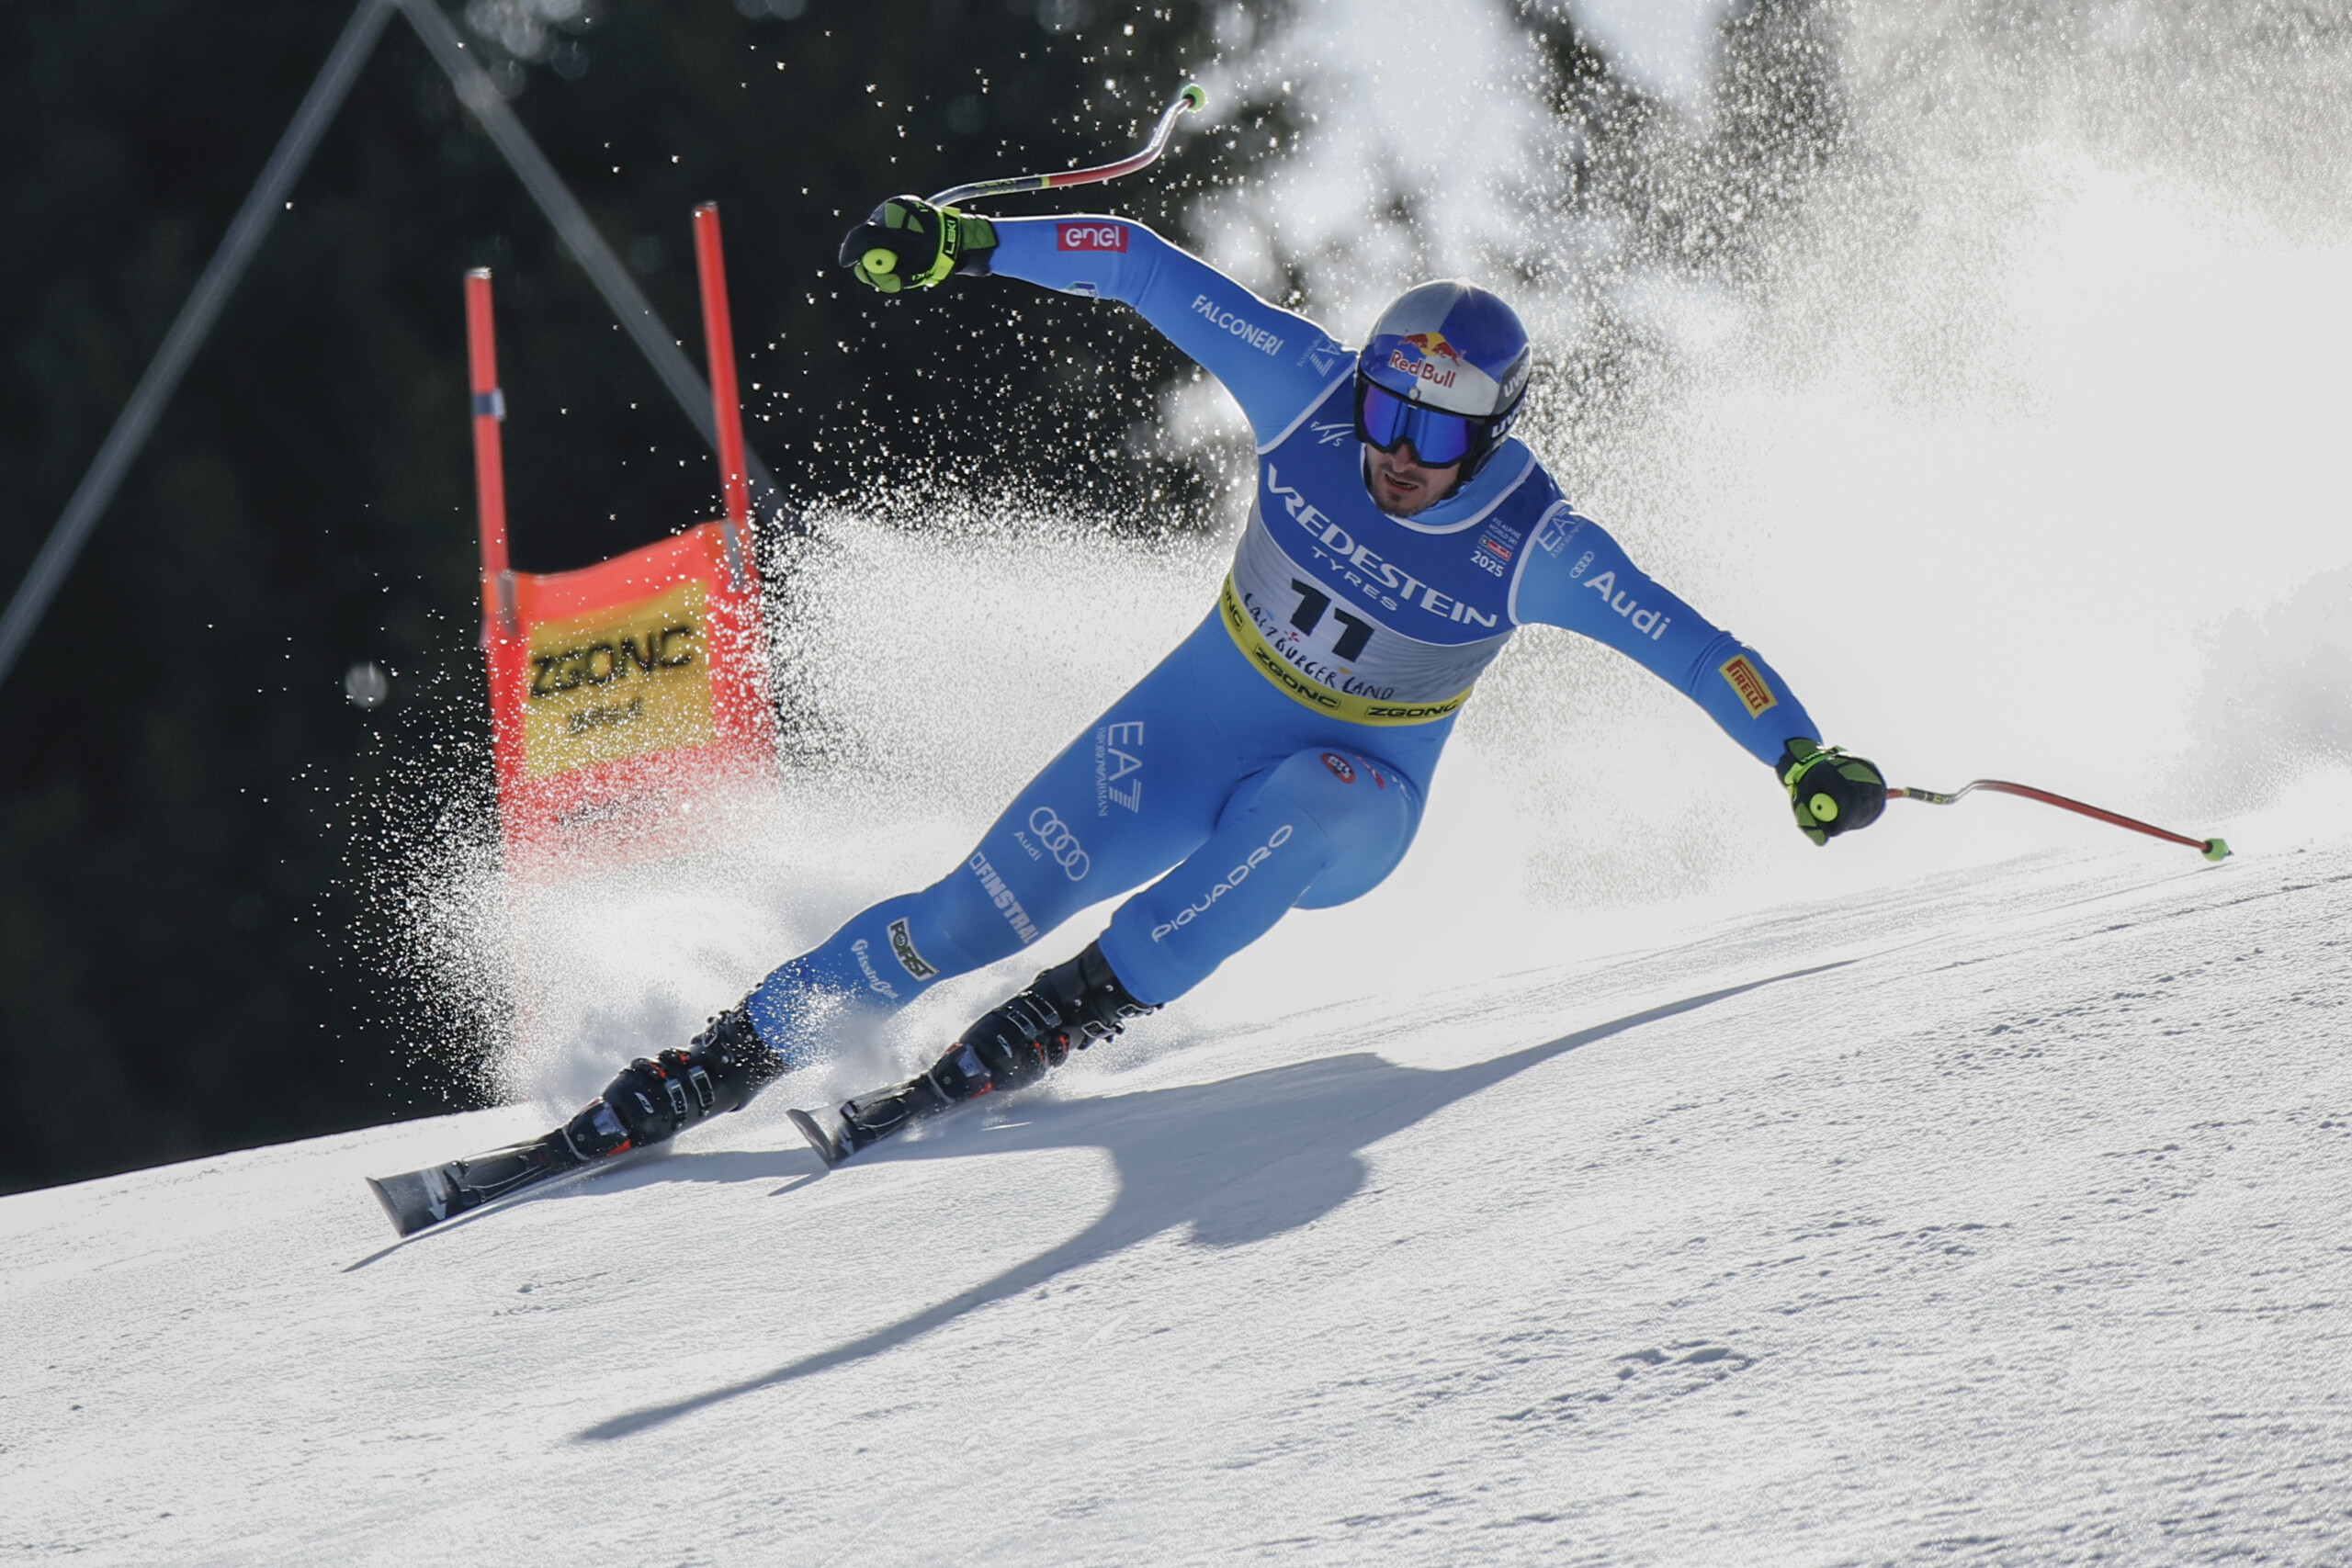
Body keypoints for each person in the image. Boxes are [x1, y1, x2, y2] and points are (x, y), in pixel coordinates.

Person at [549, 196, 1888, 1170]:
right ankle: (716, 1063)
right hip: (1187, 731)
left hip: (1354, 799)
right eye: (1386, 411)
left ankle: (1065, 1015)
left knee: (1309, 795)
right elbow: (1136, 264)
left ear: (1490, 437)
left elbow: (1696, 646)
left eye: (1433, 433)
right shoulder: (1313, 396)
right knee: (967, 912)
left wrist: (1802, 756)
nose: (1396, 452)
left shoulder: (1534, 546)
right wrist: (961, 241)